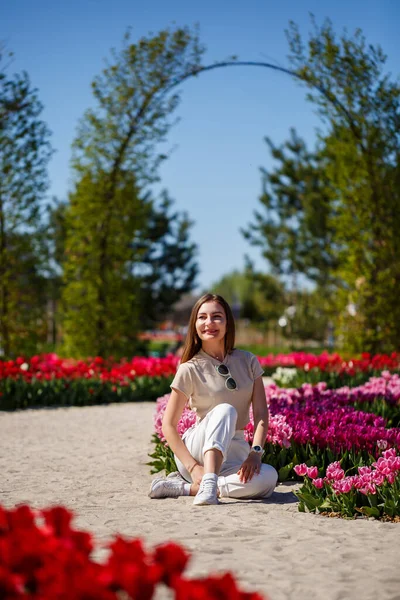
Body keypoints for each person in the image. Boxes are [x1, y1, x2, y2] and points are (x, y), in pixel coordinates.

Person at [149, 293, 278, 506]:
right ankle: (207, 482)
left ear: (228, 322)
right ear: (194, 324)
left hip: (235, 448)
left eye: (217, 316)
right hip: (198, 449)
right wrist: (192, 467)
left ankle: (188, 488)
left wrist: (255, 453)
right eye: (202, 317)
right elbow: (169, 425)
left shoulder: (248, 361)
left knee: (269, 477)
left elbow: (262, 415)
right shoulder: (189, 368)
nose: (209, 323)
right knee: (225, 410)